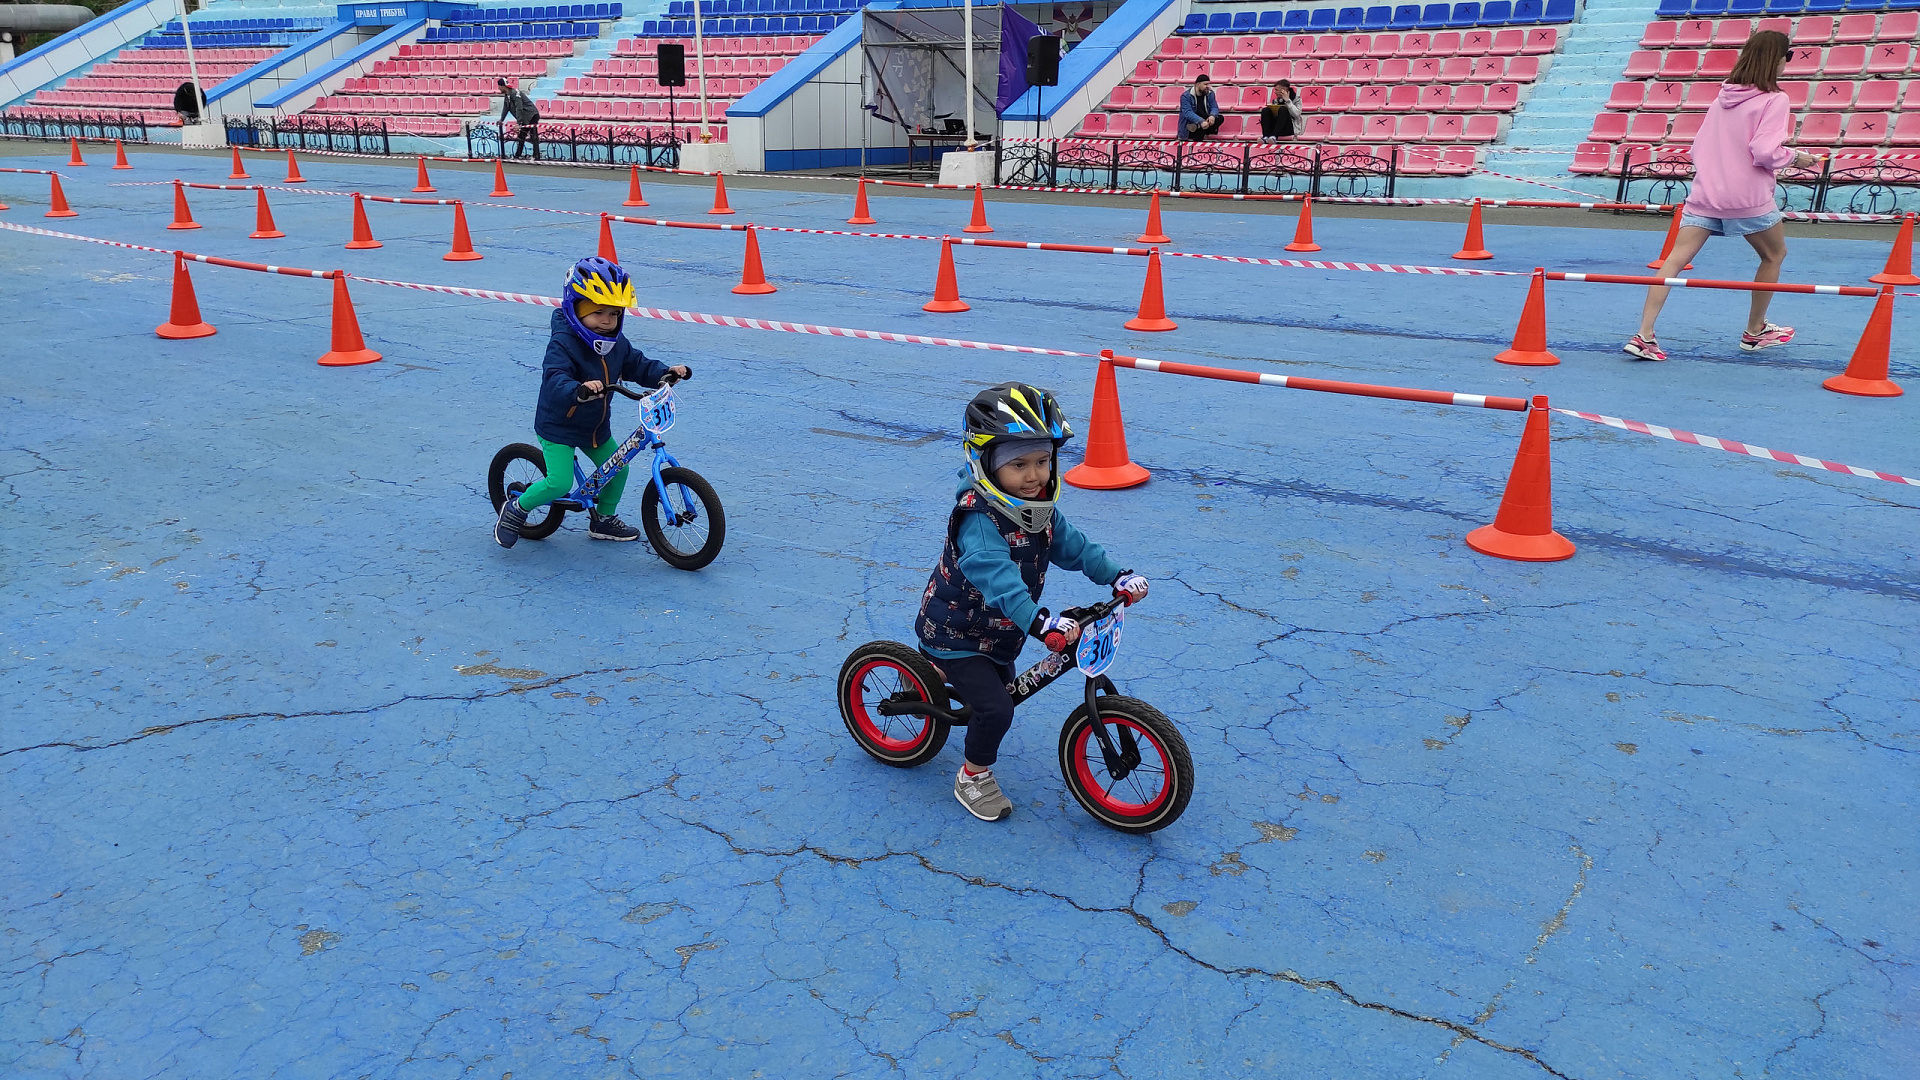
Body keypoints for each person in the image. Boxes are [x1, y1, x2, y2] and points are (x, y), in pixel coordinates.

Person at [916, 383, 1151, 822]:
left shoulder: (1037, 508)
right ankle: (972, 776)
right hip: (955, 632)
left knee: (1003, 683)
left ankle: (941, 681)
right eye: (1018, 464)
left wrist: (1119, 574)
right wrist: (1041, 623)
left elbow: (1076, 548)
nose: (1034, 475)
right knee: (996, 707)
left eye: (1043, 461)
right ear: (986, 465)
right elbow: (1005, 588)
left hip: (997, 633)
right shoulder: (980, 526)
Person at [1625, 29, 1822, 361]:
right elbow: (1763, 151)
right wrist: (1795, 157)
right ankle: (1755, 331)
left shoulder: (1721, 99)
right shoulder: (1776, 99)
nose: (1789, 64)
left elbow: (1698, 146)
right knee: (1774, 256)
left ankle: (1644, 333)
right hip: (1747, 197)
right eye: (1788, 57)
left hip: (1706, 194)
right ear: (1777, 59)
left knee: (1673, 260)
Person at [494, 257, 690, 548]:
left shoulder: (615, 343)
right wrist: (578, 389)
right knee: (560, 483)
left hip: (595, 428)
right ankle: (517, 508)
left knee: (619, 468)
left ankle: (603, 519)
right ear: (576, 309)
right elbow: (555, 377)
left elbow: (637, 364)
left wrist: (665, 373)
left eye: (613, 313)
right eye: (597, 312)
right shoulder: (563, 342)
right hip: (559, 425)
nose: (607, 320)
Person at [498, 78, 541, 159]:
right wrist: (501, 119)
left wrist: (519, 123)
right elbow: (506, 107)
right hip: (525, 117)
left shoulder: (515, 94)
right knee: (522, 136)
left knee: (532, 135)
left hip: (531, 115)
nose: (498, 89)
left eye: (499, 87)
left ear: (503, 86)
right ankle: (518, 155)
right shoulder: (508, 95)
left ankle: (536, 155)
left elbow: (519, 108)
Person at [1178, 75, 1223, 142]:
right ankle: (1200, 128)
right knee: (1199, 131)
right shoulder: (1186, 96)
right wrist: (1201, 121)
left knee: (1220, 118)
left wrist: (1212, 116)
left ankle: (1199, 127)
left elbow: (1214, 107)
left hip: (1205, 120)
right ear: (1198, 84)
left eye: (1209, 84)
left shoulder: (1210, 93)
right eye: (1205, 84)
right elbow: (1188, 112)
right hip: (1193, 120)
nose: (1208, 86)